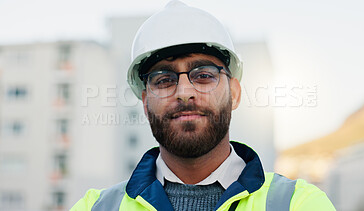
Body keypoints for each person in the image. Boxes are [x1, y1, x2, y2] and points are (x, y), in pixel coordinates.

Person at [71, 1, 336, 210]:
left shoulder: (298, 204)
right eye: (164, 79)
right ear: (144, 102)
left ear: (234, 92)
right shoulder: (96, 207)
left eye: (204, 75)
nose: (185, 92)